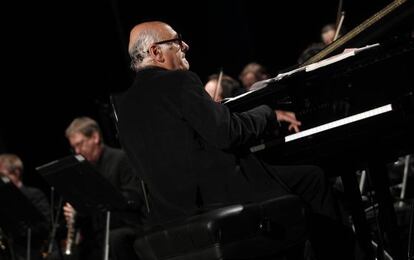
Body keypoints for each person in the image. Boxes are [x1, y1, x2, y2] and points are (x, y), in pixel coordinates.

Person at [117, 21, 355, 260]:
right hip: (219, 198)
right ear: (156, 52)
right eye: (176, 41)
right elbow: (227, 133)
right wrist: (268, 114)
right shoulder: (179, 81)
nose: (185, 46)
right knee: (313, 178)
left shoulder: (124, 107)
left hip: (170, 213)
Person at [63, 117, 143, 260]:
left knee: (113, 240)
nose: (77, 151)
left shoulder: (120, 158)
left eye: (80, 144)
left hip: (125, 226)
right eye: (73, 147)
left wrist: (97, 198)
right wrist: (78, 210)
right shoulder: (84, 172)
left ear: (95, 137)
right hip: (99, 233)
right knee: (73, 254)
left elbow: (135, 197)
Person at [0, 153, 50, 260]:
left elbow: (45, 225)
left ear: (16, 173)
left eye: (2, 176)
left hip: (34, 251)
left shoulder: (34, 194)